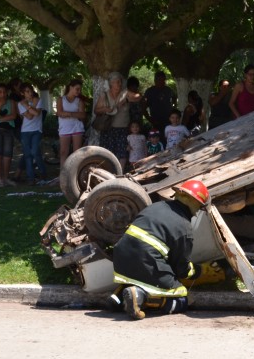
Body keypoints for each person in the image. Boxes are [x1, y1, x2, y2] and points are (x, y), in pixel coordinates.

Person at [110, 179, 209, 320]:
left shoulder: (156, 206)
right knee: (182, 297)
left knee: (143, 278)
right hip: (145, 262)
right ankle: (141, 297)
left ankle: (117, 298)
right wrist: (200, 271)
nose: (198, 210)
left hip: (120, 259)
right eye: (199, 207)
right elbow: (182, 270)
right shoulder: (185, 228)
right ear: (195, 202)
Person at [94, 72, 130, 170]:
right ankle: (107, 172)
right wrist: (105, 109)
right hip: (107, 128)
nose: (119, 84)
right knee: (107, 152)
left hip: (122, 128)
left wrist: (126, 100)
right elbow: (96, 110)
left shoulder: (125, 93)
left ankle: (120, 174)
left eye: (120, 82)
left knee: (122, 152)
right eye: (116, 82)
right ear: (111, 83)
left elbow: (138, 97)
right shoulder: (104, 95)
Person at [0, 83, 18, 187]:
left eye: (4, 92)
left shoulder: (12, 102)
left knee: (8, 155)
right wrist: (0, 106)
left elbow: (13, 116)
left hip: (8, 130)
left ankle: (6, 178)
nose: (2, 94)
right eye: (0, 92)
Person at [19, 84, 46, 185]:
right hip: (25, 131)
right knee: (27, 155)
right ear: (23, 93)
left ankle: (43, 173)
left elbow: (37, 114)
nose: (30, 93)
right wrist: (32, 107)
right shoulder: (19, 104)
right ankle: (30, 177)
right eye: (26, 91)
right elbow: (30, 116)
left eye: (30, 90)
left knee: (35, 152)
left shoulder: (38, 100)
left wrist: (26, 105)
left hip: (37, 130)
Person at [57, 78, 86, 167]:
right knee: (63, 152)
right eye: (77, 89)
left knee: (77, 153)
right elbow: (59, 113)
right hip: (64, 128)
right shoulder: (61, 99)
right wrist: (74, 114)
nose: (79, 91)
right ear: (71, 87)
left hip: (77, 127)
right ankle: (63, 174)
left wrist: (68, 113)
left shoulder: (80, 101)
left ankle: (75, 173)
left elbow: (83, 115)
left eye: (80, 89)